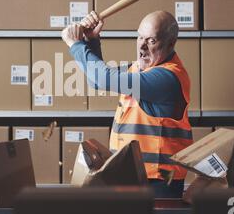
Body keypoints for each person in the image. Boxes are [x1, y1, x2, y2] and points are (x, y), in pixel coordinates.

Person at [61, 10, 193, 198]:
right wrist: (92, 40)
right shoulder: (139, 70)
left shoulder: (167, 77)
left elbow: (104, 77)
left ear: (171, 43)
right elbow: (97, 81)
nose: (142, 47)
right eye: (140, 37)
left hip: (160, 180)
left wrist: (75, 44)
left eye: (151, 41)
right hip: (135, 176)